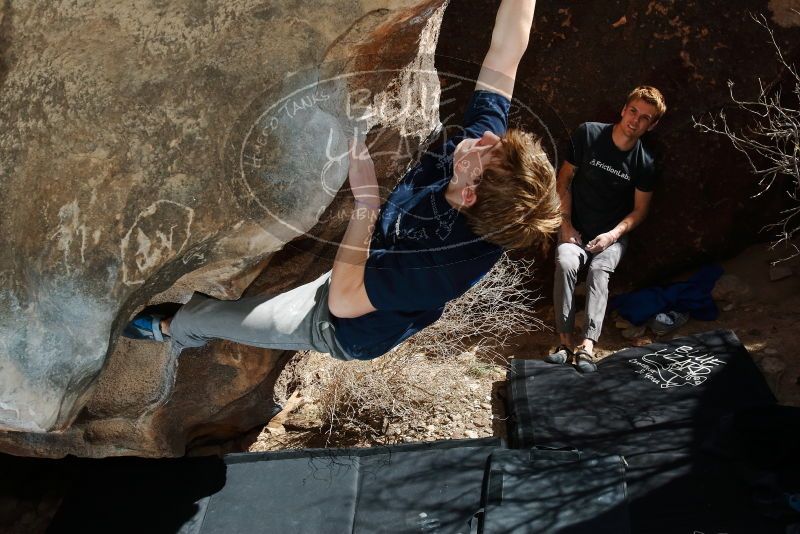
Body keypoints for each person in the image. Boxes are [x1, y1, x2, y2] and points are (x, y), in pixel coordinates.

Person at [124, 0, 561, 361]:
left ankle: (169, 330)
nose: (485, 136)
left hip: (343, 324)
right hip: (373, 257)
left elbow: (343, 299)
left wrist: (367, 204)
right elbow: (507, 50)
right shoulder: (484, 160)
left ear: (469, 194)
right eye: (496, 139)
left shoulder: (440, 267)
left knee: (200, 318)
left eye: (488, 150)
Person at [545, 86, 666, 373]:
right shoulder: (588, 134)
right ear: (624, 110)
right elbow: (563, 182)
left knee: (600, 271)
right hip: (575, 228)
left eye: (645, 118)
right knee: (565, 261)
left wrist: (613, 235)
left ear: (653, 125)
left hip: (612, 238)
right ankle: (563, 342)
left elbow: (640, 210)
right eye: (633, 111)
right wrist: (565, 225)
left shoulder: (645, 162)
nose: (635, 120)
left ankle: (587, 345)